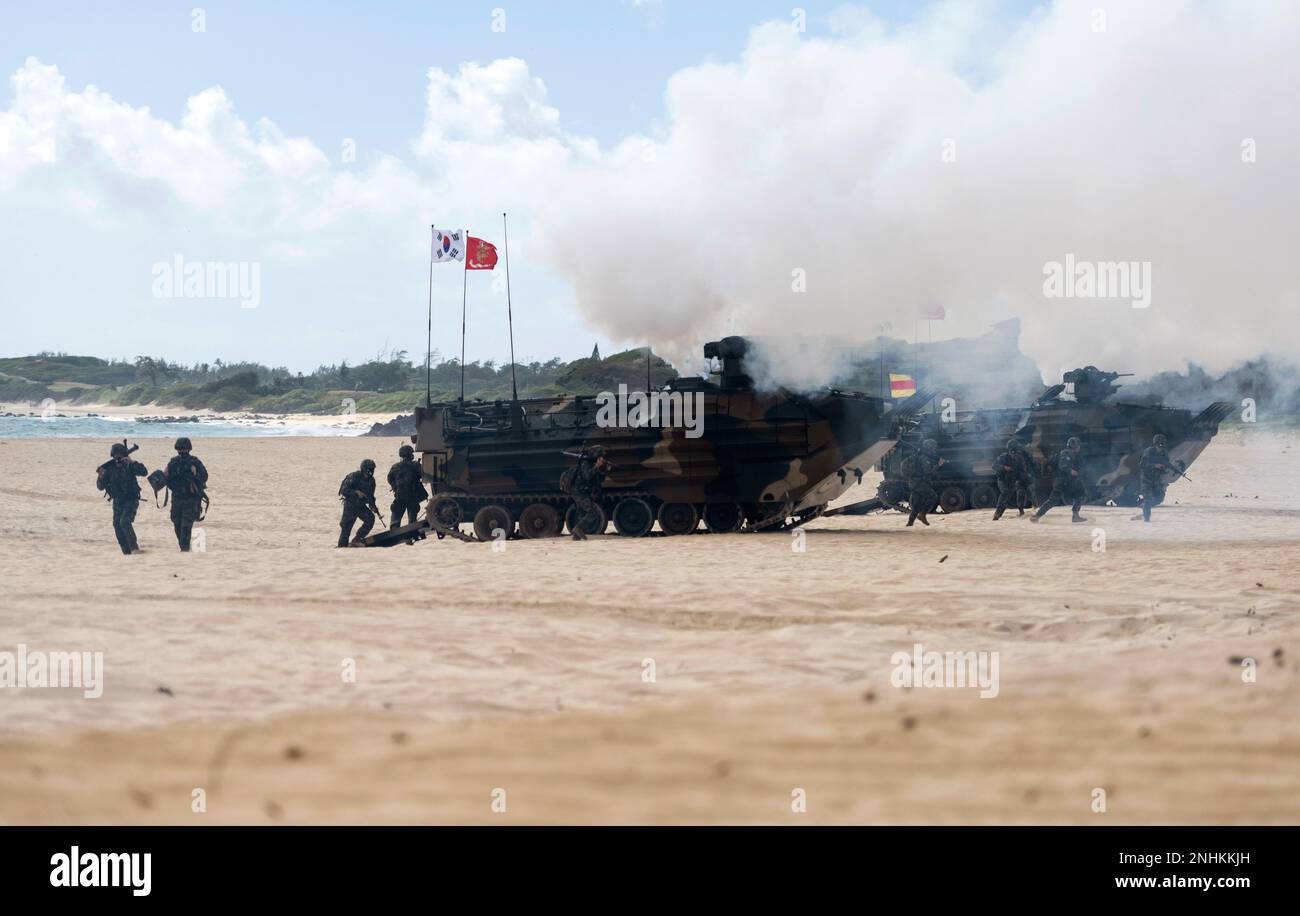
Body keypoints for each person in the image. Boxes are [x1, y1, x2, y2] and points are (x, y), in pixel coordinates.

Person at [96, 442, 147, 554]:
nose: (118, 458)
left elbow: (144, 472)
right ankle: (126, 552)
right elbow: (100, 487)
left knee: (124, 522)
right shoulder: (109, 469)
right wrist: (100, 476)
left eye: (120, 455)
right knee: (116, 525)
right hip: (118, 501)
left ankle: (134, 548)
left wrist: (131, 461)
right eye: (116, 455)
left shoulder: (129, 465)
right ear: (113, 456)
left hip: (131, 499)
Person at [164, 437, 208, 551]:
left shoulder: (195, 462)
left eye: (184, 449)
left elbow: (204, 477)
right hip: (177, 498)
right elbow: (166, 478)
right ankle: (184, 547)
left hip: (191, 499)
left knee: (186, 526)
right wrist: (164, 475)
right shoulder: (173, 462)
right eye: (180, 449)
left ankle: (184, 550)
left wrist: (195, 473)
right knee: (177, 524)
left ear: (189, 449)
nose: (182, 451)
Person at [1031, 436, 1088, 523]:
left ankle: (1037, 516)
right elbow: (1063, 466)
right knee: (1081, 495)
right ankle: (1075, 516)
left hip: (1063, 480)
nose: (1079, 448)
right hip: (1064, 480)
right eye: (1078, 446)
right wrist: (1070, 471)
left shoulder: (1068, 453)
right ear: (1076, 446)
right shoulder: (1067, 453)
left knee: (1053, 500)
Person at [568, 446, 609, 540]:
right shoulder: (585, 463)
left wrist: (605, 469)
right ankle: (578, 528)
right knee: (593, 512)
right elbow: (588, 476)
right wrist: (597, 466)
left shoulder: (592, 464)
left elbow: (599, 479)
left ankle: (576, 537)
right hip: (578, 492)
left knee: (585, 512)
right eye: (600, 456)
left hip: (584, 492)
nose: (601, 458)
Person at [1138, 433, 1181, 522]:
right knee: (1148, 499)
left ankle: (1145, 506)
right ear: (1156, 443)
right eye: (1160, 444)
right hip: (1147, 479)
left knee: (1159, 499)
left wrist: (1167, 468)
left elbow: (1166, 463)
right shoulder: (1149, 451)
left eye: (1163, 444)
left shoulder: (1164, 452)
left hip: (1156, 479)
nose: (1161, 446)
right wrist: (1154, 465)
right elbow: (1142, 464)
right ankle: (1147, 520)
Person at [337, 459, 379, 548]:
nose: (370, 472)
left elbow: (370, 496)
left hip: (361, 506)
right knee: (346, 528)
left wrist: (373, 506)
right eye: (368, 469)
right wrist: (356, 492)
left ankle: (357, 539)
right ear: (363, 469)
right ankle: (342, 547)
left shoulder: (371, 481)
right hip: (350, 506)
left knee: (370, 519)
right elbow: (343, 491)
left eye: (372, 469)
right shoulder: (353, 476)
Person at [903, 439, 943, 527]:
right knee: (933, 496)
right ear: (930, 447)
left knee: (916, 504)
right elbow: (928, 471)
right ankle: (922, 514)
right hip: (920, 483)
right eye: (934, 447)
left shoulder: (917, 455)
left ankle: (910, 523)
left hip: (913, 483)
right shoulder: (924, 457)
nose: (935, 449)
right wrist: (938, 465)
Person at [387, 444, 428, 528]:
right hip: (413, 497)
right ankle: (411, 533)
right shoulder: (415, 465)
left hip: (399, 496)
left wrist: (396, 487)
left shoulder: (395, 466)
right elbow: (424, 475)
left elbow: (390, 479)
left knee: (396, 518)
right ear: (410, 455)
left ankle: (394, 529)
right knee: (412, 520)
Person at [992, 438, 1033, 520]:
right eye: (1012, 451)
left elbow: (1022, 471)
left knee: (1009, 496)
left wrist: (1026, 480)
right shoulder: (1003, 457)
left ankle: (1019, 511)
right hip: (1002, 480)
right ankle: (997, 514)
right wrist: (1004, 467)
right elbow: (994, 466)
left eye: (1014, 451)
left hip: (1012, 481)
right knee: (1005, 493)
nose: (1013, 453)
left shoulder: (1019, 459)